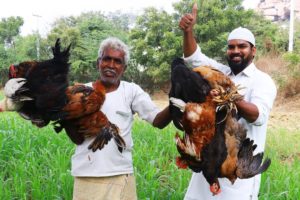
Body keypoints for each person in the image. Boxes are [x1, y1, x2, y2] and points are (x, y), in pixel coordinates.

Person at [179, 3, 277, 200]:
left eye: (242, 46)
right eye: (231, 47)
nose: (236, 51)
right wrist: (188, 31)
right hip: (207, 164)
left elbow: (257, 115)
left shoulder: (262, 80)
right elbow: (192, 58)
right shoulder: (221, 72)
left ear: (253, 50)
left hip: (237, 172)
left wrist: (228, 97)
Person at [72, 37, 171, 200]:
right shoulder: (82, 92)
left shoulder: (131, 91)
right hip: (87, 175)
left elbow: (158, 121)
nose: (111, 65)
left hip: (121, 175)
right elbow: (74, 136)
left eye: (117, 61)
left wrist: (175, 102)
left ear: (123, 68)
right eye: (107, 59)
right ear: (98, 62)